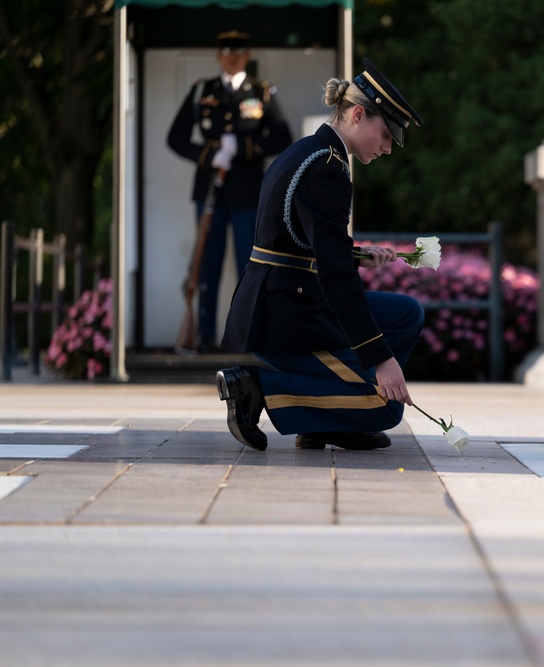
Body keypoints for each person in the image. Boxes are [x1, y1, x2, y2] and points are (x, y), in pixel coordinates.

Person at [215, 58, 425, 452]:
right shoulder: (327, 169)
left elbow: (296, 239)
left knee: (406, 314)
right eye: (385, 135)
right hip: (283, 317)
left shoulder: (310, 151)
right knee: (385, 412)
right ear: (358, 114)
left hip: (281, 300)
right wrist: (381, 359)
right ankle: (257, 384)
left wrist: (358, 253)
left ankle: (320, 422)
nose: (386, 148)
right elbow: (334, 276)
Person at [167, 30, 292, 352]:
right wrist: (209, 155)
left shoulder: (260, 93)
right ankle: (205, 335)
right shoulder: (201, 92)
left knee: (247, 264)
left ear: (247, 54)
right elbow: (175, 138)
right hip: (210, 192)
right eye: (226, 49)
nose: (233, 54)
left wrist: (244, 147)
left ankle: (245, 334)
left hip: (248, 193)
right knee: (206, 264)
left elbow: (281, 138)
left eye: (239, 49)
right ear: (218, 54)